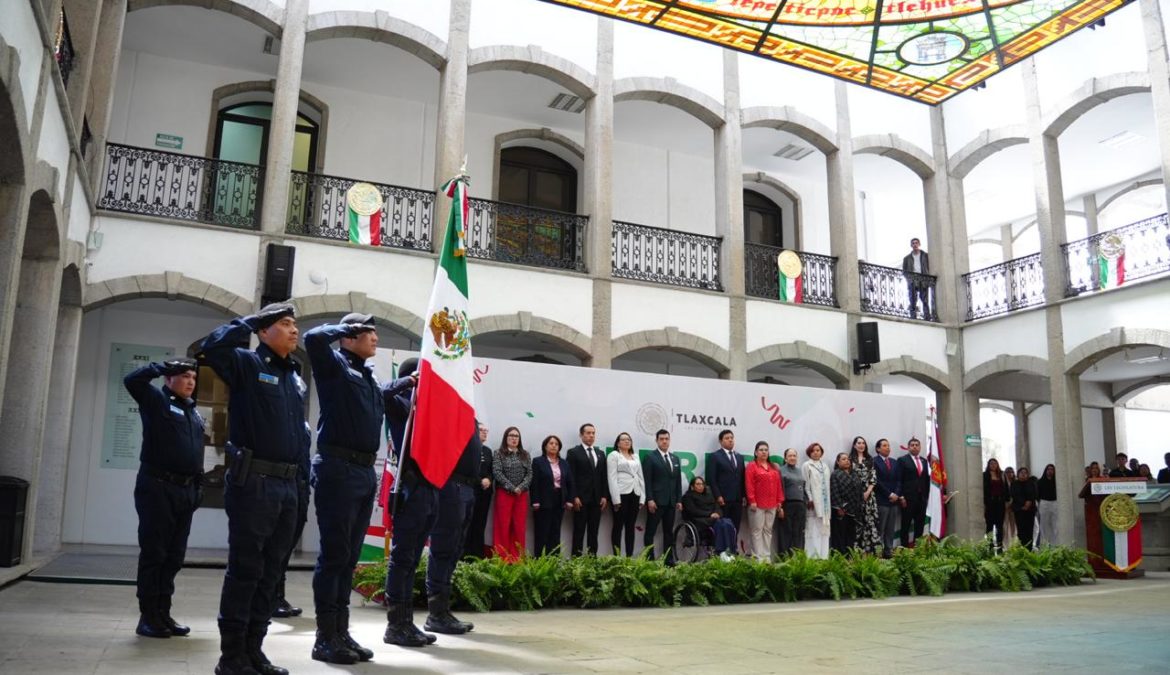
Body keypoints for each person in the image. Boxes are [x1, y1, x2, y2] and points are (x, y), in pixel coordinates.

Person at [198, 302, 310, 675]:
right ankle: (231, 656)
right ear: (264, 331)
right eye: (284, 323)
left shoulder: (294, 374)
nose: (294, 330)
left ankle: (254, 650)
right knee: (246, 570)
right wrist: (247, 321)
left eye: (295, 323)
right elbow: (211, 349)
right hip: (255, 482)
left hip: (287, 484)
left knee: (271, 573)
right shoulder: (247, 364)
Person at [302, 314, 383, 664]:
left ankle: (341, 631)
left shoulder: (366, 374)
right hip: (338, 468)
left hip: (364, 471)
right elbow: (313, 339)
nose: (375, 338)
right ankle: (324, 637)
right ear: (349, 337)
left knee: (349, 559)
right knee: (334, 556)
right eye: (368, 333)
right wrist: (346, 328)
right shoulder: (334, 364)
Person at [124, 357, 204, 639]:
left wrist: (197, 488)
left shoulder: (193, 412)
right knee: (155, 554)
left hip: (185, 491)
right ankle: (147, 616)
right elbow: (132, 380)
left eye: (193, 377)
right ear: (169, 380)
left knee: (173, 557)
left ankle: (163, 613)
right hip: (158, 487)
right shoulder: (157, 401)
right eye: (183, 376)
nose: (190, 381)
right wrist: (160, 367)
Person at [379, 357, 443, 648]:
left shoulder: (427, 410)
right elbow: (380, 392)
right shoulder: (401, 403)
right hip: (411, 486)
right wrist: (409, 382)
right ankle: (396, 625)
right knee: (403, 557)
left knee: (414, 557)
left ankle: (407, 622)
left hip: (430, 487)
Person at [422, 419, 482, 636]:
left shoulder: (468, 414)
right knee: (443, 549)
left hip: (466, 486)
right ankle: (435, 614)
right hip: (450, 484)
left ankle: (443, 611)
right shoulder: (449, 407)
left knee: (455, 550)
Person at [567, 423, 609, 556]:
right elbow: (570, 477)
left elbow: (604, 477)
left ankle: (592, 560)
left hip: (597, 499)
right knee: (579, 531)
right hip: (580, 499)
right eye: (588, 433)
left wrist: (604, 496)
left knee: (594, 531)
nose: (591, 436)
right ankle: (576, 561)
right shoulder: (573, 452)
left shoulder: (600, 453)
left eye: (593, 433)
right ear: (581, 435)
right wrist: (574, 496)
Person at [492, 426, 532, 563]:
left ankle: (517, 558)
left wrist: (520, 487)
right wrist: (511, 487)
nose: (514, 438)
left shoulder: (525, 454)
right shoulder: (498, 453)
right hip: (504, 493)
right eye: (511, 436)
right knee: (503, 525)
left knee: (519, 525)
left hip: (522, 495)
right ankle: (502, 557)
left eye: (516, 436)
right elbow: (497, 472)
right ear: (506, 438)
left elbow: (529, 474)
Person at [642, 429, 683, 562]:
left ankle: (668, 561)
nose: (664, 441)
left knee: (668, 533)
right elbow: (646, 481)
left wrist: (678, 499)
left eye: (667, 439)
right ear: (657, 440)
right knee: (650, 533)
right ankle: (650, 562)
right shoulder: (650, 457)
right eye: (662, 439)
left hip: (671, 502)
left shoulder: (675, 458)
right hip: (656, 502)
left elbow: (678, 481)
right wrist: (650, 499)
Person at [530, 435, 574, 556]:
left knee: (555, 532)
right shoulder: (538, 461)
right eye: (551, 443)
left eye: (556, 444)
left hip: (559, 500)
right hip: (543, 501)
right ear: (545, 446)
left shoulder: (564, 463)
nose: (554, 446)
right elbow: (534, 483)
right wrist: (535, 500)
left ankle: (554, 559)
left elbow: (570, 482)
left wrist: (570, 500)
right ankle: (539, 560)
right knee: (542, 531)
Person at [679, 476, 737, 560]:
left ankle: (729, 551)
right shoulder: (688, 497)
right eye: (698, 484)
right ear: (692, 486)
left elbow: (717, 507)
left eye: (702, 484)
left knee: (727, 523)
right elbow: (693, 511)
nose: (701, 486)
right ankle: (720, 551)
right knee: (720, 524)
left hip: (714, 518)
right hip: (699, 520)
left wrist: (717, 513)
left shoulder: (709, 494)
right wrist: (710, 514)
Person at [606, 432, 645, 556]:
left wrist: (642, 498)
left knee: (630, 526)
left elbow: (640, 477)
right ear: (618, 443)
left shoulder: (636, 456)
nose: (627, 441)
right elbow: (611, 477)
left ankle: (629, 556)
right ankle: (617, 556)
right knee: (618, 525)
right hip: (621, 494)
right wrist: (616, 499)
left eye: (629, 439)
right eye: (623, 439)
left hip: (635, 493)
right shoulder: (614, 455)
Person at [744, 441, 782, 560]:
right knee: (756, 531)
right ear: (756, 452)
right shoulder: (752, 466)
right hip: (757, 504)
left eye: (766, 450)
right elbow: (749, 484)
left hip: (772, 504)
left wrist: (779, 501)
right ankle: (757, 557)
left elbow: (778, 485)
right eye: (761, 450)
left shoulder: (773, 467)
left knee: (768, 530)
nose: (764, 452)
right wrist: (752, 500)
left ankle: (766, 557)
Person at [708, 429, 745, 545]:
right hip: (723, 499)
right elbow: (712, 479)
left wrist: (743, 495)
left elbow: (742, 478)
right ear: (721, 441)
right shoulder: (715, 456)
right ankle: (723, 552)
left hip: (737, 499)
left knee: (735, 526)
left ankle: (733, 550)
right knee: (723, 526)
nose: (730, 440)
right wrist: (718, 495)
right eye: (727, 438)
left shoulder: (739, 457)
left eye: (731, 438)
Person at [463, 422, 494, 558]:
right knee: (467, 522)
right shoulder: (467, 447)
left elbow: (491, 470)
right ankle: (464, 553)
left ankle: (477, 554)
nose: (484, 432)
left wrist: (489, 479)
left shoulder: (487, 450)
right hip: (471, 489)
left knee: (480, 523)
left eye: (486, 430)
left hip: (485, 493)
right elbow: (467, 469)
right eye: (481, 430)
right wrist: (479, 480)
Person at [897, 437, 931, 547]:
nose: (915, 446)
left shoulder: (924, 461)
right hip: (908, 498)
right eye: (912, 445)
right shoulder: (902, 460)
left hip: (921, 499)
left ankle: (918, 548)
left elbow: (927, 480)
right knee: (905, 525)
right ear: (908, 447)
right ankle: (904, 549)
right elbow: (899, 480)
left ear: (920, 447)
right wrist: (901, 496)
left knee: (919, 525)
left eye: (917, 445)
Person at [849, 436, 879, 555]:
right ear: (854, 445)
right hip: (854, 496)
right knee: (856, 524)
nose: (861, 445)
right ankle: (856, 553)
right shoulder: (850, 459)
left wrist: (868, 492)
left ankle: (869, 553)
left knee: (869, 523)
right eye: (859, 443)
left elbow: (873, 477)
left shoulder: (870, 459)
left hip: (869, 496)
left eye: (863, 443)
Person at [871, 438, 901, 557]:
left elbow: (899, 480)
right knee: (880, 528)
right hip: (882, 500)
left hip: (894, 501)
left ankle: (888, 552)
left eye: (888, 445)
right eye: (884, 446)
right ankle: (878, 553)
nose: (887, 448)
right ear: (878, 449)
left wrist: (896, 494)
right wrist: (889, 494)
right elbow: (877, 482)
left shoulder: (894, 462)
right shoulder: (874, 462)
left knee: (890, 528)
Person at [802, 443, 831, 559]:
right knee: (813, 531)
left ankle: (823, 557)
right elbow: (806, 484)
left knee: (824, 531)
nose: (816, 452)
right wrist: (810, 498)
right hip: (813, 503)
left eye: (818, 450)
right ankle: (813, 557)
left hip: (825, 504)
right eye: (813, 451)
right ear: (809, 453)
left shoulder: (825, 466)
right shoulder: (807, 465)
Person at [830, 453, 863, 553]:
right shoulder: (836, 474)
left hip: (854, 510)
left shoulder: (854, 474)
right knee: (840, 535)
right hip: (842, 511)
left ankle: (850, 556)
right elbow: (834, 491)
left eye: (848, 459)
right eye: (843, 459)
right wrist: (839, 507)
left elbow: (859, 490)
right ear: (838, 462)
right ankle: (840, 557)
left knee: (851, 535)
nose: (847, 461)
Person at [777, 448, 807, 556]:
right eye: (790, 456)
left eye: (794, 456)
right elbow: (779, 489)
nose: (792, 458)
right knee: (786, 532)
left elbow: (803, 488)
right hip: (787, 504)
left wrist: (805, 501)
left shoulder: (799, 471)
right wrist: (780, 507)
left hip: (800, 505)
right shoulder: (781, 470)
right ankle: (784, 559)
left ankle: (797, 558)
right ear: (785, 458)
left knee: (798, 532)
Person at [901, 237, 932, 319]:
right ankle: (913, 317)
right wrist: (909, 280)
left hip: (923, 279)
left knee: (925, 300)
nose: (915, 244)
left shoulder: (925, 256)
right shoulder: (907, 258)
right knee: (913, 300)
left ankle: (927, 317)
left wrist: (927, 277)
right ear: (911, 245)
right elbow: (904, 271)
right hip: (913, 280)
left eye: (916, 243)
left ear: (919, 244)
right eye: (913, 243)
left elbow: (930, 267)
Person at [982, 458, 1008, 551]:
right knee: (989, 526)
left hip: (1000, 503)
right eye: (991, 464)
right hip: (990, 503)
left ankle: (1000, 546)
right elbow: (984, 490)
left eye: (995, 463)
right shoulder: (985, 475)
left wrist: (1006, 501)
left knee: (999, 526)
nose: (993, 465)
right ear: (988, 465)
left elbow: (1006, 489)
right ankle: (990, 546)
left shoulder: (1002, 474)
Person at [1011, 466, 1038, 550]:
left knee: (1029, 530)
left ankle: (1029, 548)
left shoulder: (1031, 483)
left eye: (1025, 473)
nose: (1023, 474)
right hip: (1019, 510)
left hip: (1030, 510)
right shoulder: (1014, 484)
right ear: (1018, 474)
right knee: (1021, 530)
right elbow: (1014, 495)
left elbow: (1034, 494)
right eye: (1021, 473)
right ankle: (1022, 548)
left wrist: (1029, 502)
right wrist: (1023, 504)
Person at [1035, 463, 1058, 546]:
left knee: (1055, 525)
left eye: (1052, 469)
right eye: (1048, 469)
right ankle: (1044, 545)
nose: (1050, 471)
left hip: (1055, 503)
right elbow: (1037, 494)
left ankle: (1054, 545)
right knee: (1044, 525)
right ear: (1045, 471)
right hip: (1044, 503)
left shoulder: (1057, 481)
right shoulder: (1040, 482)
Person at [1002, 466, 1017, 546]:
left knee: (1014, 525)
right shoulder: (1003, 483)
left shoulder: (1016, 483)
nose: (1009, 474)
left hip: (1014, 505)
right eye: (1007, 472)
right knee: (1005, 526)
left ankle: (1014, 543)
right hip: (1005, 505)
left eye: (1011, 472)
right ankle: (1006, 544)